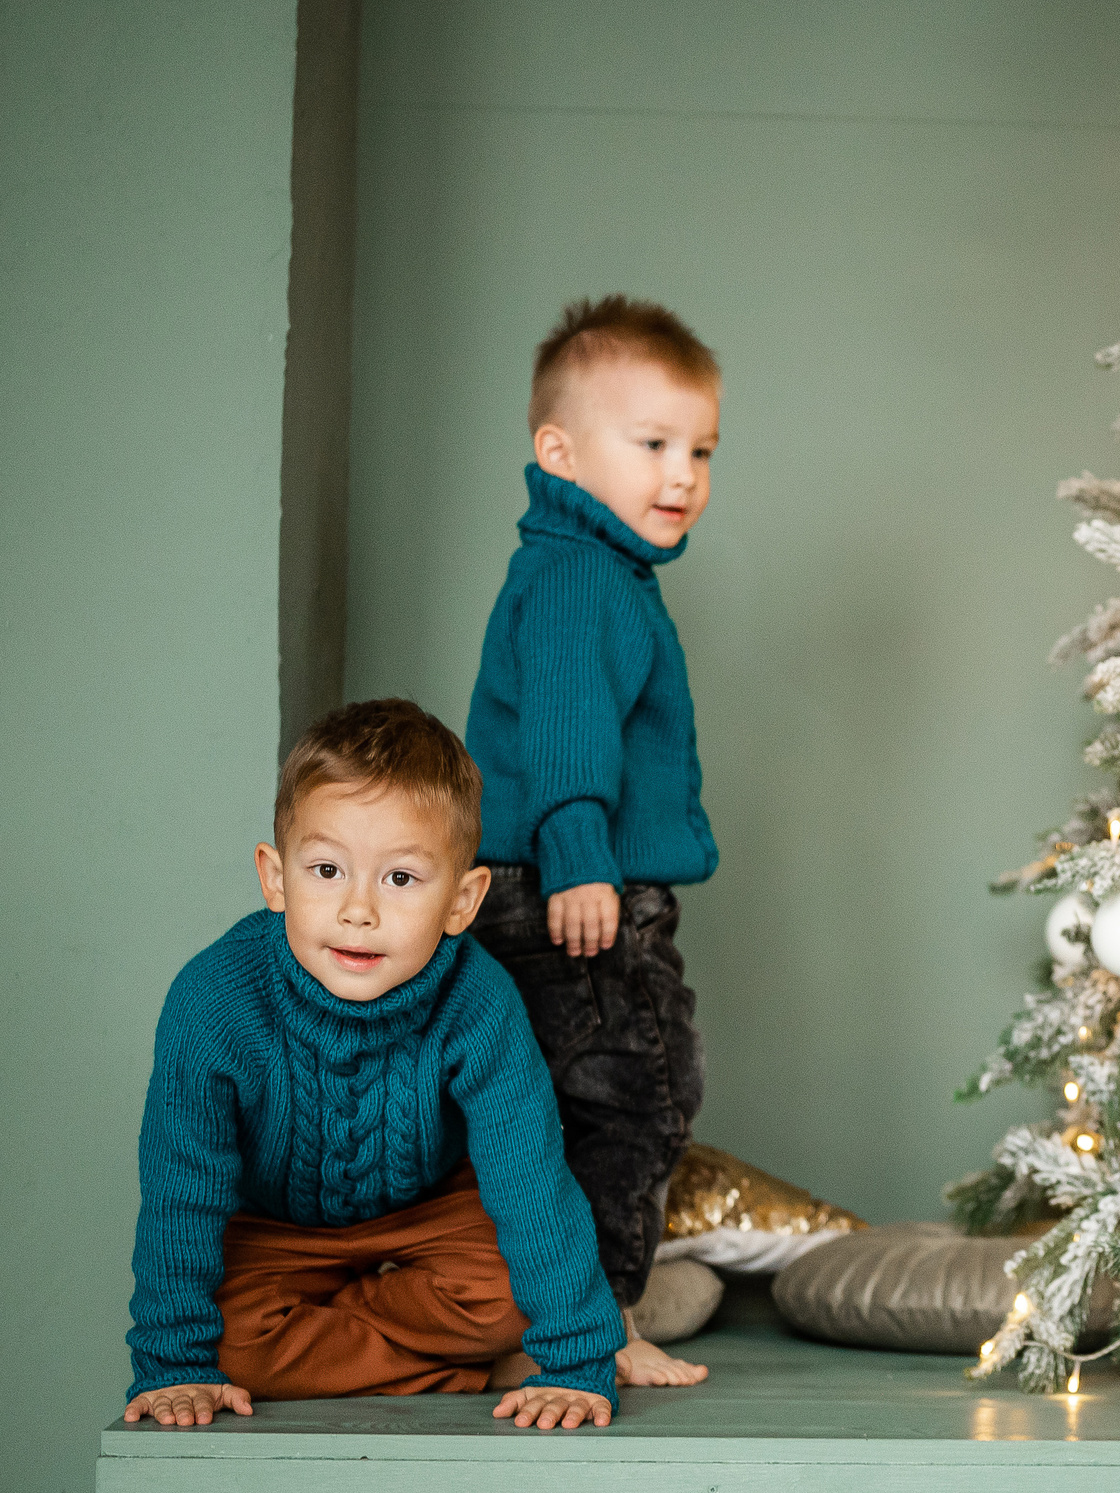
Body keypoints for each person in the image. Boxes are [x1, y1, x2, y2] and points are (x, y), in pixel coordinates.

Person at [123, 700, 622, 1430]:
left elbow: (530, 1180)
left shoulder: (479, 1002)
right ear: (274, 878)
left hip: (427, 1210)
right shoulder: (212, 1003)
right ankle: (464, 1368)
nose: (358, 908)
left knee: (518, 1296)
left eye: (400, 879)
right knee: (226, 1348)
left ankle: (399, 1336)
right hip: (275, 1226)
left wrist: (579, 1362)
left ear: (461, 900)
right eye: (327, 869)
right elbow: (181, 1192)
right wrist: (172, 1367)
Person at [464, 295, 724, 1388]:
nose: (683, 475)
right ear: (559, 452)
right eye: (653, 443)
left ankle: (554, 1312)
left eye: (701, 449)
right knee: (636, 1094)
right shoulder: (580, 578)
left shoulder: (586, 567)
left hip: (543, 881)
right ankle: (599, 1321)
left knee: (563, 1102)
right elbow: (568, 724)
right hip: (578, 883)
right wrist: (581, 855)